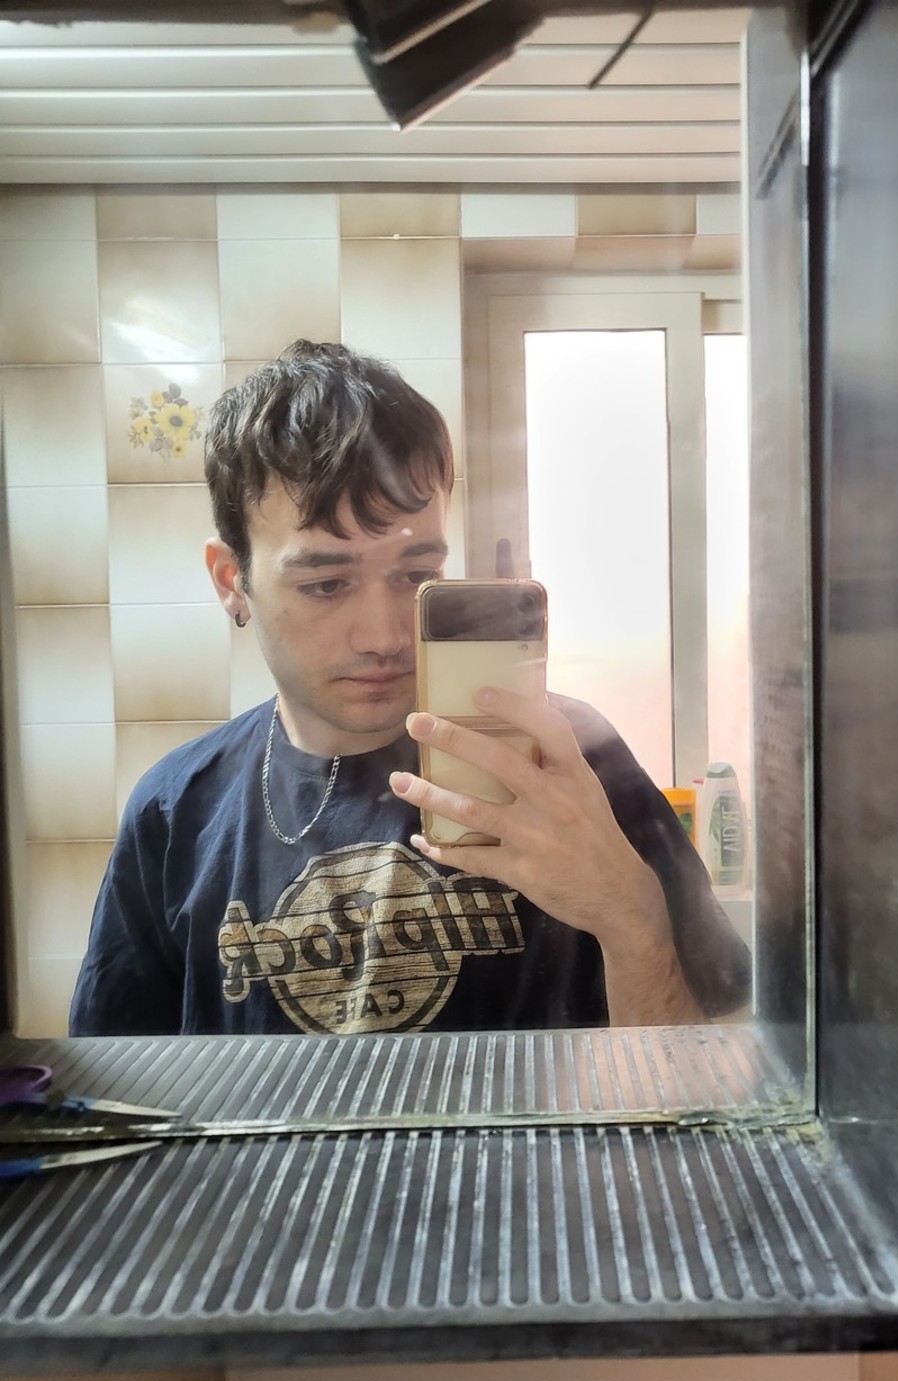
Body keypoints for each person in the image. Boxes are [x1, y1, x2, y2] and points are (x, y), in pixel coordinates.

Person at [69, 340, 749, 1037]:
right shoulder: (177, 810)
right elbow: (118, 1086)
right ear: (231, 581)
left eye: (416, 575)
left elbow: (717, 1068)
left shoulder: (572, 763)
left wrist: (631, 918)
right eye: (325, 584)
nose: (385, 635)